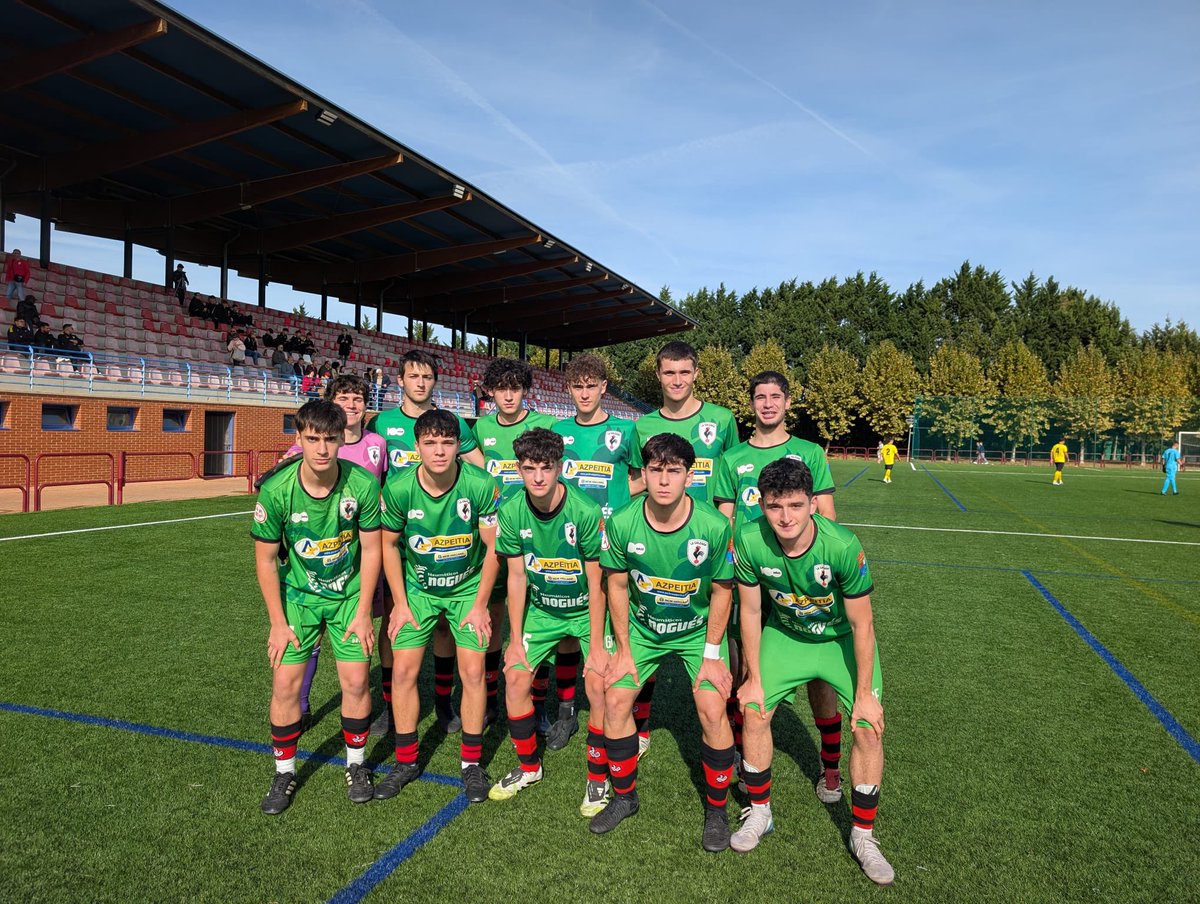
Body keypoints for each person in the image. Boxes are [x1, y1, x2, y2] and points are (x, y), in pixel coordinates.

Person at [731, 458, 893, 886]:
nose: (785, 517)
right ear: (761, 505)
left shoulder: (842, 546)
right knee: (753, 709)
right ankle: (760, 813)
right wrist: (752, 676)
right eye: (774, 506)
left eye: (796, 506)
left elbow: (863, 625)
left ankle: (863, 836)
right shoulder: (748, 538)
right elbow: (749, 610)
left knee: (868, 727)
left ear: (813, 505)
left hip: (839, 639)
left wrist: (864, 693)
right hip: (786, 635)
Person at [590, 433, 738, 851]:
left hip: (697, 633)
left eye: (674, 471)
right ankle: (624, 798)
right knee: (616, 699)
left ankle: (717, 809)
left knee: (711, 708)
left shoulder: (712, 525)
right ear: (645, 472)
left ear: (689, 476)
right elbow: (616, 587)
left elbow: (724, 590)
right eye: (656, 469)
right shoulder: (621, 522)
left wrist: (712, 655)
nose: (664, 480)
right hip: (643, 629)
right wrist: (621, 649)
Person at [712, 371, 843, 802]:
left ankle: (831, 767)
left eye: (775, 397)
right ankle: (740, 755)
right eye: (759, 397)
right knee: (746, 670)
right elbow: (725, 523)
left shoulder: (808, 453)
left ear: (787, 402)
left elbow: (827, 517)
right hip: (751, 577)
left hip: (801, 584)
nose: (767, 404)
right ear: (751, 404)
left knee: (818, 678)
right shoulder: (731, 459)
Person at [250, 399, 383, 815]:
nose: (323, 448)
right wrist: (276, 622)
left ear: (343, 438)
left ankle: (356, 765)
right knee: (286, 686)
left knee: (358, 683)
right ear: (299, 438)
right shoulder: (277, 490)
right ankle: (285, 771)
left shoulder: (361, 483)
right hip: (299, 601)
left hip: (348, 599)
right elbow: (266, 560)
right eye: (313, 439)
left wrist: (364, 611)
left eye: (330, 439)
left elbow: (373, 549)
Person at [374, 409, 501, 805]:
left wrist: (481, 605)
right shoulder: (397, 488)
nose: (440, 451)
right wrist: (398, 602)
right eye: (430, 443)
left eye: (447, 442)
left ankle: (472, 763)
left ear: (458, 447)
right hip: (418, 591)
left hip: (466, 589)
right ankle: (407, 760)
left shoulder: (481, 484)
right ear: (417, 447)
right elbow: (388, 544)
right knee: (405, 670)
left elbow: (495, 547)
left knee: (474, 671)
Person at [488, 428, 611, 815]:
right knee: (516, 675)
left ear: (560, 467)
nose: (538, 477)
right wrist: (514, 640)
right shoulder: (510, 511)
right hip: (542, 613)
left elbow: (597, 581)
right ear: (519, 469)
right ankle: (528, 767)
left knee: (599, 683)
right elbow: (518, 577)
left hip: (585, 609)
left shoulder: (586, 511)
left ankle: (597, 778)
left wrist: (596, 644)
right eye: (529, 468)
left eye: (546, 467)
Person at [626, 340, 739, 757]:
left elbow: (730, 481)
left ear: (696, 374)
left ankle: (732, 728)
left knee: (723, 636)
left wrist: (727, 533)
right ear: (658, 376)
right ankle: (640, 729)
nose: (676, 380)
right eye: (668, 373)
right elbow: (638, 486)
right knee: (650, 626)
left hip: (711, 546)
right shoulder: (642, 426)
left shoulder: (722, 420)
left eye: (684, 372)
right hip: (658, 543)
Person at [366, 349, 485, 734]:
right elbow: (372, 472)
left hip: (446, 532)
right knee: (394, 621)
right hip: (397, 533)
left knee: (445, 627)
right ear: (399, 380)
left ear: (435, 382)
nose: (420, 383)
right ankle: (390, 704)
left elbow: (478, 467)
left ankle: (444, 702)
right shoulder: (382, 423)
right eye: (412, 376)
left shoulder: (453, 425)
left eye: (427, 377)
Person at [282, 375, 388, 728]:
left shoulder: (377, 444)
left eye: (359, 398)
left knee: (363, 628)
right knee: (309, 634)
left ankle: (379, 701)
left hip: (359, 561)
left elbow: (383, 492)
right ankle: (302, 701)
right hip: (315, 563)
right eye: (344, 397)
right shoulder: (307, 447)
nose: (352, 404)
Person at [473, 357, 558, 726]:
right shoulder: (480, 428)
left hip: (539, 535)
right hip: (495, 536)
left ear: (526, 390)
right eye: (501, 389)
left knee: (535, 617)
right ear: (490, 391)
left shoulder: (547, 425)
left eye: (516, 388)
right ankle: (491, 697)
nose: (509, 396)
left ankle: (538, 701)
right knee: (493, 615)